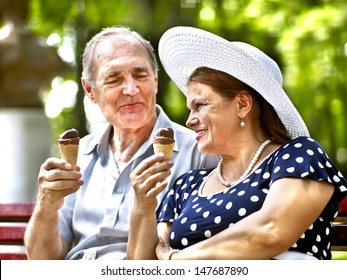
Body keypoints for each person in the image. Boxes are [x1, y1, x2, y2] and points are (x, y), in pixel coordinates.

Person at [127, 26, 347, 260]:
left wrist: (180, 260)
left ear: (242, 104)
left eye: (200, 106)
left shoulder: (298, 156)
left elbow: (270, 232)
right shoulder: (186, 186)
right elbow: (144, 269)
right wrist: (143, 204)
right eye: (189, 109)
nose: (189, 120)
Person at [23, 26, 220, 260]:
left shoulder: (201, 151)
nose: (131, 89)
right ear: (90, 90)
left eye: (140, 75)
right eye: (114, 79)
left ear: (155, 80)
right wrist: (47, 204)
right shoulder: (80, 154)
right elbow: (41, 260)